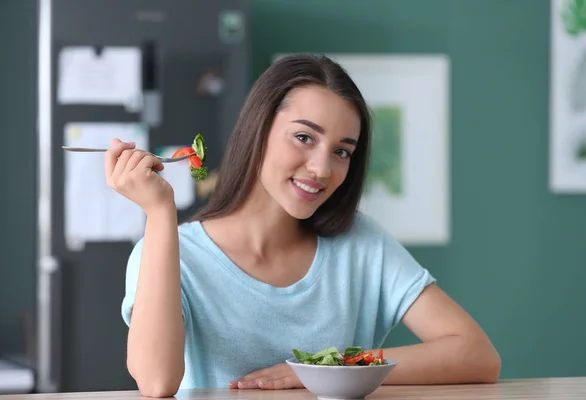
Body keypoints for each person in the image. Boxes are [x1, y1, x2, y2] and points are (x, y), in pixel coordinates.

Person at [105, 54, 501, 398]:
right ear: (258, 129)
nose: (322, 168)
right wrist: (159, 213)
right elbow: (157, 382)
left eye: (342, 151)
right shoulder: (173, 254)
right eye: (303, 137)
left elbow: (477, 355)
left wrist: (325, 371)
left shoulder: (361, 245)